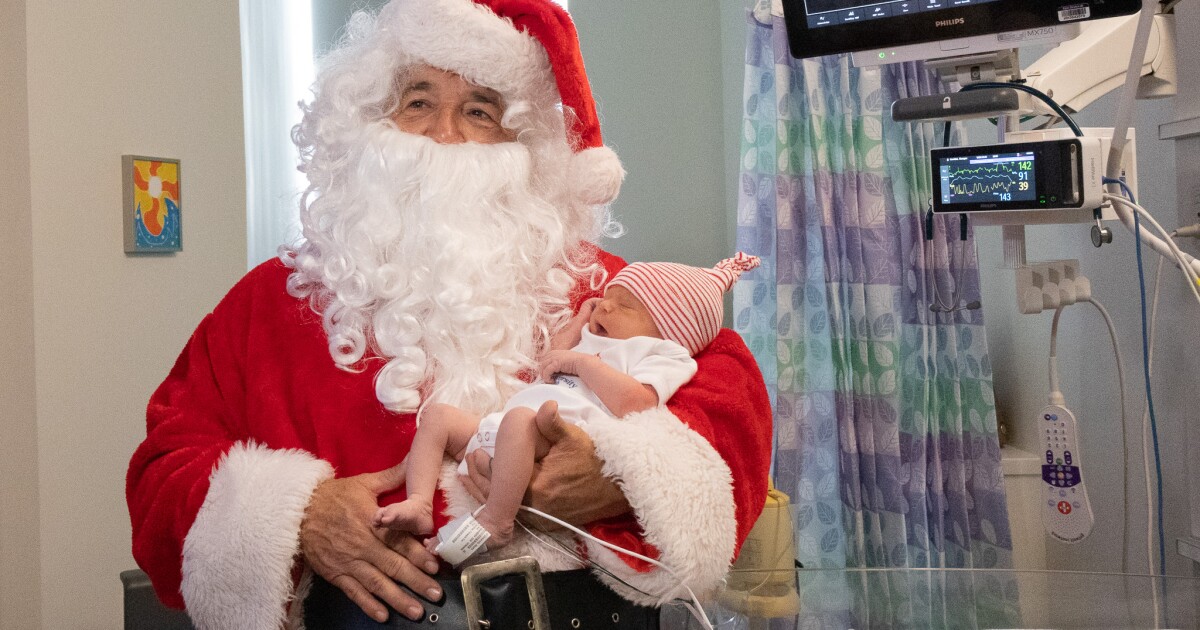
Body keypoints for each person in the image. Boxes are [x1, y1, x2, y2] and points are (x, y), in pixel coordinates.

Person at [125, 0, 772, 628]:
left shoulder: (611, 293)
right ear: (367, 120)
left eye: (479, 111)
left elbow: (732, 400)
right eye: (418, 103)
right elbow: (165, 470)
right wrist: (298, 515)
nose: (444, 135)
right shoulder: (268, 305)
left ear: (526, 144)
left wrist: (628, 470)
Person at [375, 254, 762, 565]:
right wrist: (579, 324)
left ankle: (497, 520)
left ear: (669, 328)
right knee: (440, 416)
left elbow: (638, 402)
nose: (604, 307)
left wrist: (585, 365)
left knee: (520, 420)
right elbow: (551, 359)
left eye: (623, 304)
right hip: (500, 431)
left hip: (548, 434)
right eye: (607, 298)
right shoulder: (593, 336)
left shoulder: (664, 354)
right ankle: (419, 502)